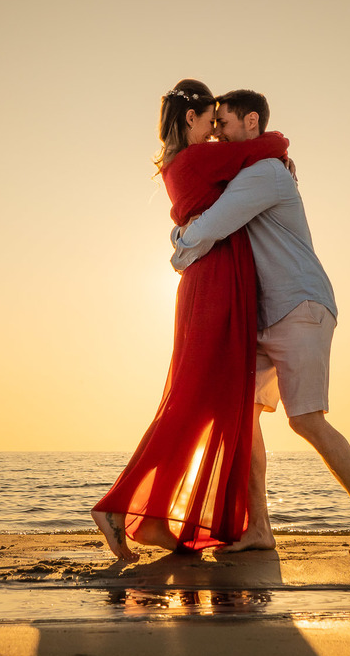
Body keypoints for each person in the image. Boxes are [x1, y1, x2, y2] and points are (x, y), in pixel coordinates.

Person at [171, 89, 350, 555]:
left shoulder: (265, 173)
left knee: (306, 419)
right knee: (242, 419)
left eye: (223, 124)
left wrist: (177, 241)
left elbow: (210, 226)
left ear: (251, 123)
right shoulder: (254, 168)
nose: (217, 135)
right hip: (266, 313)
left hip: (300, 306)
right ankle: (260, 529)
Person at [92, 79, 292, 562]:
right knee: (193, 399)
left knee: (201, 401)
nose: (215, 134)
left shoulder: (180, 165)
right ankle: (118, 507)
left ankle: (158, 516)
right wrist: (272, 145)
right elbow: (273, 143)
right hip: (217, 286)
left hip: (211, 284)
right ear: (189, 119)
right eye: (210, 123)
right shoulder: (197, 159)